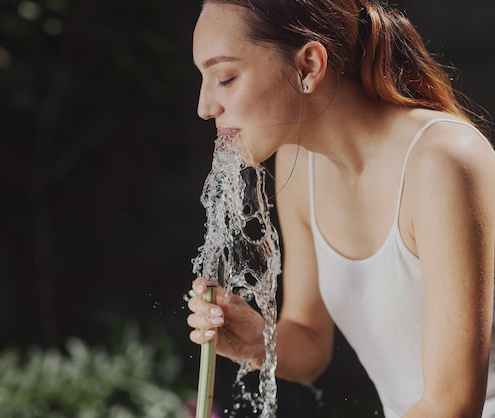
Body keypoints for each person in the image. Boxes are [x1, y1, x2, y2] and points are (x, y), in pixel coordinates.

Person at [185, 0, 495, 417]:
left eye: (225, 77)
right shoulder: (301, 169)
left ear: (309, 65)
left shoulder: (441, 161)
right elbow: (311, 343)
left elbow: (453, 405)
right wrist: (258, 340)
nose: (205, 107)